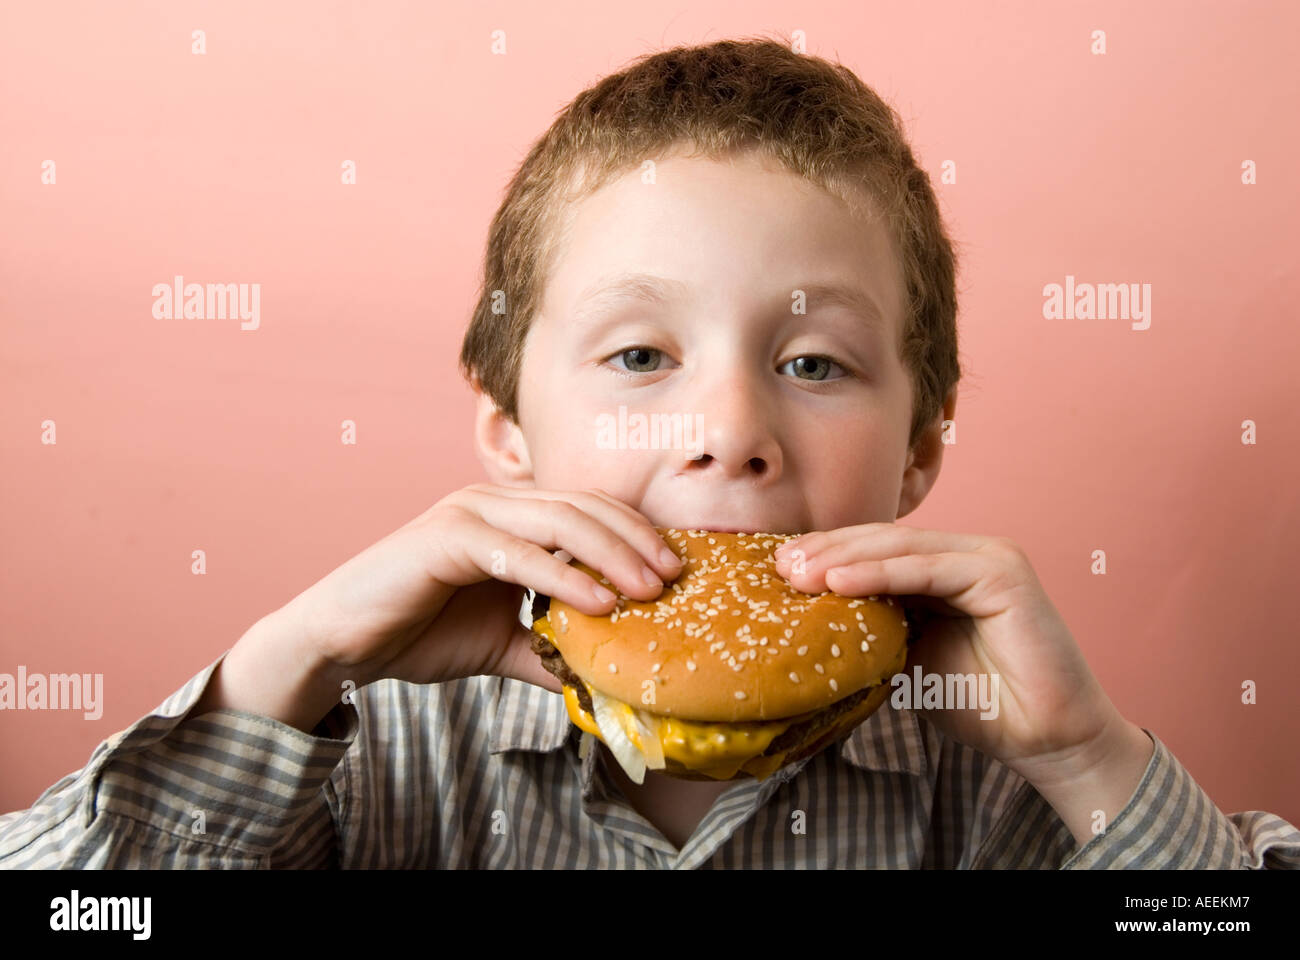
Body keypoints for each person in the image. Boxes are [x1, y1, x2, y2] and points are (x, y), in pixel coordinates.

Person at [3, 37, 1297, 869]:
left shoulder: (1003, 776)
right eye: (638, 358)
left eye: (813, 364)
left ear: (914, 459)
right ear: (510, 439)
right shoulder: (376, 752)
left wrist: (1086, 763)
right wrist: (282, 670)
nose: (729, 433)